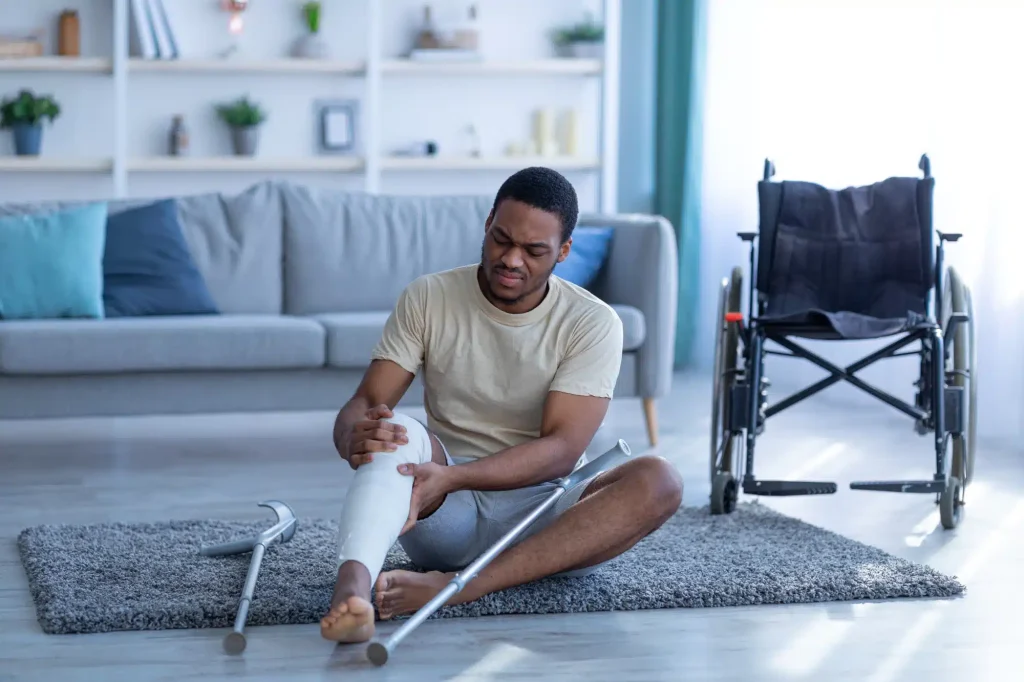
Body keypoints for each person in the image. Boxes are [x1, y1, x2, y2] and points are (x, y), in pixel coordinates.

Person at [320, 166, 684, 643]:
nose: (511, 260)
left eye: (534, 251)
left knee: (661, 480)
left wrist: (455, 476)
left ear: (564, 251)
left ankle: (457, 589)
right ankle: (351, 592)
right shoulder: (429, 296)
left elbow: (561, 449)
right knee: (397, 429)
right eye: (501, 240)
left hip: (545, 518)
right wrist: (355, 435)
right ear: (488, 223)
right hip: (442, 509)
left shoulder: (593, 323)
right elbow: (366, 403)